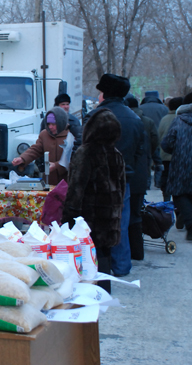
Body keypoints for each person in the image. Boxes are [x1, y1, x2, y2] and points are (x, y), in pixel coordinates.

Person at [80, 74, 144, 277]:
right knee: (120, 224)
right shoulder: (134, 118)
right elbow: (139, 152)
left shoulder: (95, 116)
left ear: (104, 93)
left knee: (94, 224)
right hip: (124, 178)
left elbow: (84, 148)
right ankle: (122, 266)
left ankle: (98, 267)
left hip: (96, 179)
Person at [62, 108, 125, 293]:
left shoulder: (85, 153)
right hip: (109, 220)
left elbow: (76, 189)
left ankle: (88, 298)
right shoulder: (117, 154)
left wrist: (68, 218)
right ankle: (104, 294)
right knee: (104, 258)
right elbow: (120, 189)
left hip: (87, 220)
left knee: (85, 261)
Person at [124, 95, 159, 260]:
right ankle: (138, 252)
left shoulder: (125, 123)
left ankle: (127, 251)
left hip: (127, 174)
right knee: (136, 213)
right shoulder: (147, 123)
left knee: (124, 213)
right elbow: (154, 144)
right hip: (141, 172)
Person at [161, 93, 192, 241]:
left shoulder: (178, 121)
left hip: (182, 165)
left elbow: (167, 144)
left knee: (180, 194)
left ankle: (190, 222)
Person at [12, 107, 70, 186]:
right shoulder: (44, 134)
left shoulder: (71, 135)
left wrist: (56, 165)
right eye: (48, 124)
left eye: (53, 124)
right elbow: (35, 149)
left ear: (61, 123)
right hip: (50, 180)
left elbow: (74, 158)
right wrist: (22, 158)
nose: (50, 127)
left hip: (68, 180)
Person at [158, 97, 184, 203]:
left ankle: (166, 200)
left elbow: (160, 136)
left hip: (165, 156)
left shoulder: (165, 119)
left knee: (166, 178)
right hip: (181, 157)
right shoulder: (182, 119)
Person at [140, 90, 169, 187]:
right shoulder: (164, 109)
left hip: (144, 138)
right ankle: (158, 182)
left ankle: (147, 183)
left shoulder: (141, 108)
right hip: (160, 138)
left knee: (146, 161)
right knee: (159, 162)